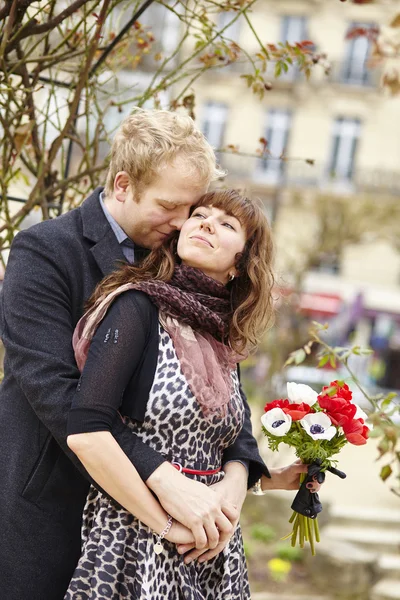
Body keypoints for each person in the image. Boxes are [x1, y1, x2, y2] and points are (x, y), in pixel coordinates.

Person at [0, 109, 271, 600]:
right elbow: (57, 396)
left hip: (152, 536)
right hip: (51, 505)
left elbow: (218, 386)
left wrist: (236, 478)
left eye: (193, 207)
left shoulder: (177, 257)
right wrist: (164, 487)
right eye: (171, 206)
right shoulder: (44, 251)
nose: (184, 222)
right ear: (123, 185)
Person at [64, 190, 309, 599]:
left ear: (240, 264)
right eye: (199, 214)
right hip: (135, 540)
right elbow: (88, 428)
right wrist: (169, 526)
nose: (206, 223)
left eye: (227, 224)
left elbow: (234, 442)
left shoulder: (222, 333)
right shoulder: (137, 306)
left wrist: (259, 482)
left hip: (210, 551)